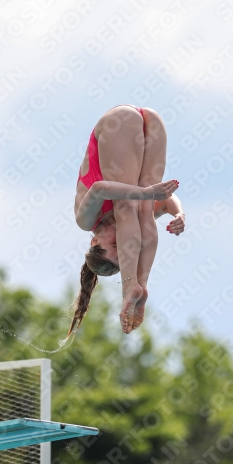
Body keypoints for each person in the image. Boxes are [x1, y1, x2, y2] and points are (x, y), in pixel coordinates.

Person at [71, 104, 185, 337]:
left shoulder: (86, 220)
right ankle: (141, 284)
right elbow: (165, 200)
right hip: (151, 121)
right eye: (125, 249)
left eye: (117, 246)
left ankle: (129, 287)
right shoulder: (136, 221)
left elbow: (100, 188)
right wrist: (179, 214)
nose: (124, 243)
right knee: (142, 209)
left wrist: (145, 194)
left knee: (127, 203)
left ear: (95, 242)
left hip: (119, 122)